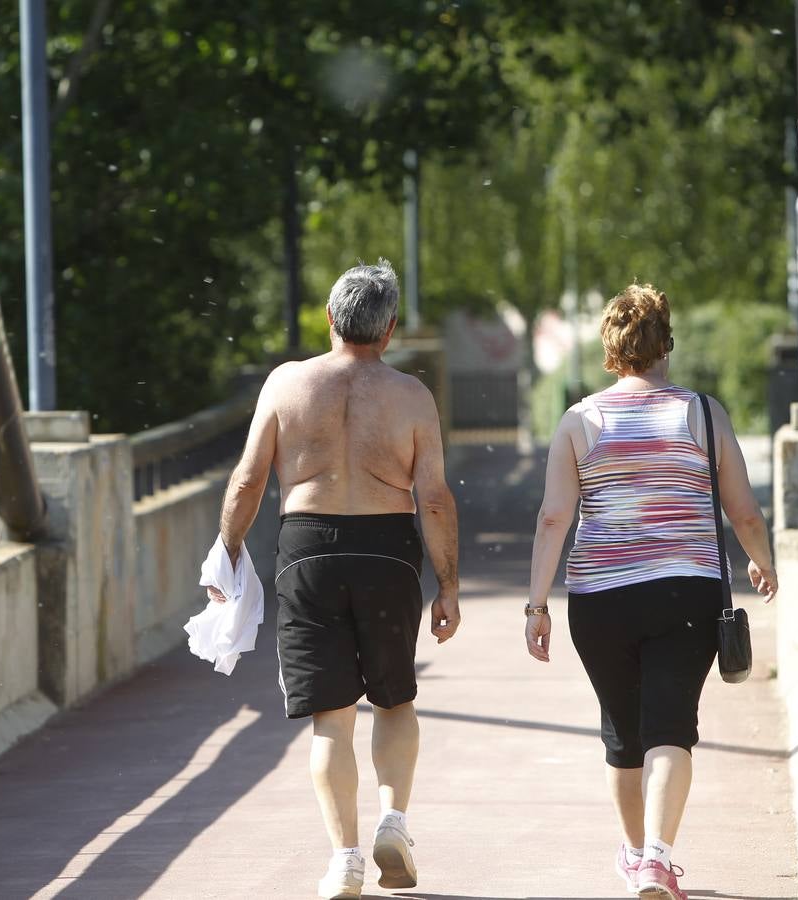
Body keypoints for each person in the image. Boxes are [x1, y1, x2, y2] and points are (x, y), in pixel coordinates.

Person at [210, 259, 461, 900]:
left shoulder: (287, 385)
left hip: (308, 549)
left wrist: (226, 552)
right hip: (388, 550)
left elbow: (247, 479)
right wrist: (448, 586)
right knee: (395, 699)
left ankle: (345, 859)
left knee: (332, 715)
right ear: (391, 328)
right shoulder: (412, 396)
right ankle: (395, 824)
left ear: (329, 319)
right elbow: (432, 497)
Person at [523, 284, 777, 900]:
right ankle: (658, 859)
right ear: (666, 343)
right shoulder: (702, 413)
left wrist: (537, 604)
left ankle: (636, 856)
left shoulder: (580, 419)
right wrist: (763, 562)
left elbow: (555, 518)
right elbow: (742, 510)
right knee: (671, 726)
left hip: (599, 599)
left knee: (622, 732)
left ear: (611, 349)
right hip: (684, 593)